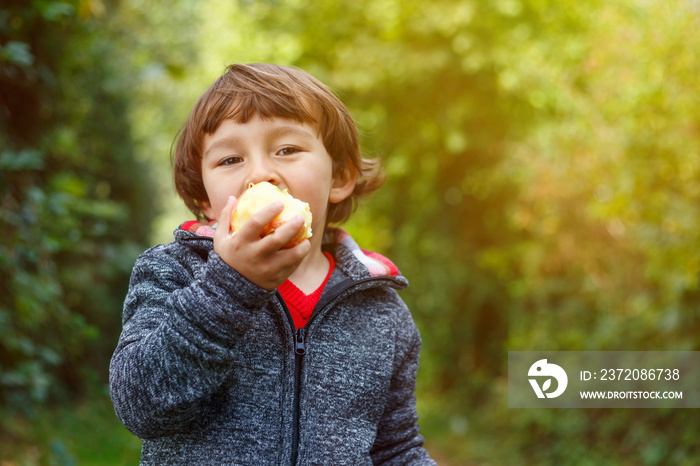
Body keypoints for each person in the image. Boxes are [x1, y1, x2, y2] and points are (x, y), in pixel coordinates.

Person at [109, 63, 436, 465]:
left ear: (340, 177)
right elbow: (140, 405)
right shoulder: (174, 273)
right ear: (206, 199)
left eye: (287, 150)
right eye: (230, 160)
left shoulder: (381, 309)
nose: (260, 174)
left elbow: (396, 450)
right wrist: (228, 287)